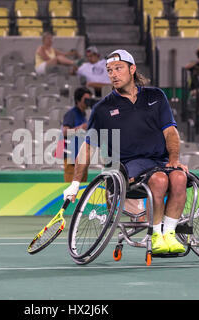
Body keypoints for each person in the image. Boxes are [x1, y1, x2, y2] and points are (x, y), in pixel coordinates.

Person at [63, 49, 189, 254]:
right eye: (109, 70)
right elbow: (87, 147)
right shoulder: (102, 109)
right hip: (126, 166)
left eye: (118, 68)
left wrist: (174, 159)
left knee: (180, 178)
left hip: (159, 160)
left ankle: (170, 234)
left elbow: (171, 132)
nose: (113, 74)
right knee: (160, 180)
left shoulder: (156, 96)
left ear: (132, 69)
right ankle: (156, 235)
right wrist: (75, 183)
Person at [62, 87, 92, 182]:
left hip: (82, 158)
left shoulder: (83, 115)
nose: (87, 102)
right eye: (85, 99)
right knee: (71, 188)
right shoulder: (72, 114)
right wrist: (80, 128)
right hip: (72, 159)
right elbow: (65, 132)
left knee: (82, 190)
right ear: (78, 100)